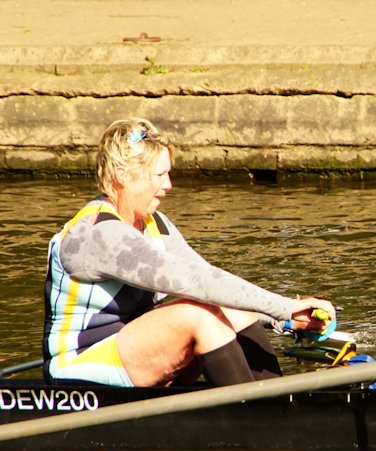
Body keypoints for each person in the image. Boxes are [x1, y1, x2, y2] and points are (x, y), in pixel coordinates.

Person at [43, 117, 336, 387]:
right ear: (123, 175)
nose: (168, 186)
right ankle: (255, 420)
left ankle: (277, 401)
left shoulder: (155, 224)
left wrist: (282, 320)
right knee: (195, 315)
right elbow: (194, 283)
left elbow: (208, 280)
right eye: (159, 175)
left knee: (231, 308)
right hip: (78, 368)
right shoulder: (98, 233)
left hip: (135, 352)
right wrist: (283, 305)